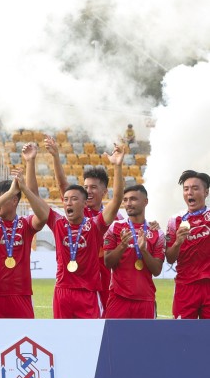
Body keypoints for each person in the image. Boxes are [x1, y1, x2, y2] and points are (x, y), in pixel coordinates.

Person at [41, 136, 119, 312]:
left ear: (104, 191)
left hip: (103, 273)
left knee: (103, 317)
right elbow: (62, 185)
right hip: (76, 274)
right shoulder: (78, 209)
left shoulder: (114, 217)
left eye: (93, 187)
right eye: (86, 187)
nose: (88, 191)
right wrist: (55, 156)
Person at [0, 161, 50, 319]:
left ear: (15, 201)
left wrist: (24, 189)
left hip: (20, 294)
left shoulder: (25, 224)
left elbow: (43, 217)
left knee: (24, 338)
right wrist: (9, 193)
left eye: (1, 199)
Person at [102, 184, 164, 318]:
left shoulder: (156, 232)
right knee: (114, 339)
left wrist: (144, 250)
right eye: (125, 200)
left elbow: (157, 270)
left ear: (145, 202)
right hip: (118, 298)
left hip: (145, 300)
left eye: (133, 199)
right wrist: (122, 246)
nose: (128, 203)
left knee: (145, 339)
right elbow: (107, 263)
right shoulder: (115, 227)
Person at [166, 170, 210, 319]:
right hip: (186, 286)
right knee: (182, 335)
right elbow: (170, 259)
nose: (189, 192)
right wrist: (178, 242)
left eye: (195, 188)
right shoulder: (175, 220)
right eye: (186, 189)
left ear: (206, 192)